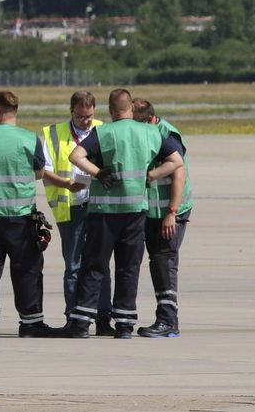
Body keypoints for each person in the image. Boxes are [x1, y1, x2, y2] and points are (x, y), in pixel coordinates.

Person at [61, 89, 183, 339]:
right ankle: (125, 324)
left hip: (104, 211)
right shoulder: (150, 132)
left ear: (111, 110)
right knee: (129, 267)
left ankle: (82, 322)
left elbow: (76, 156)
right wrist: (151, 175)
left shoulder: (103, 132)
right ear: (130, 108)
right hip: (136, 211)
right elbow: (176, 161)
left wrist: (98, 173)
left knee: (94, 265)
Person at [0, 91, 54, 339]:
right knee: (27, 268)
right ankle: (31, 322)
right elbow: (39, 172)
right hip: (20, 217)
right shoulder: (29, 139)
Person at [42, 91, 114, 335]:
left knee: (100, 264)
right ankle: (74, 318)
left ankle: (104, 317)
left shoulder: (103, 130)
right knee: (73, 265)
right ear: (72, 111)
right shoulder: (53, 134)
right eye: (81, 117)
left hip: (98, 207)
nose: (86, 121)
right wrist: (65, 184)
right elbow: (44, 170)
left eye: (90, 116)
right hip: (70, 207)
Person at [133, 97, 191, 338]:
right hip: (153, 210)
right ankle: (167, 318)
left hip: (170, 210)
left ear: (148, 119)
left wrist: (172, 213)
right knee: (157, 262)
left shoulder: (167, 134)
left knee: (164, 261)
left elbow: (178, 174)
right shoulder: (147, 132)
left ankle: (168, 320)